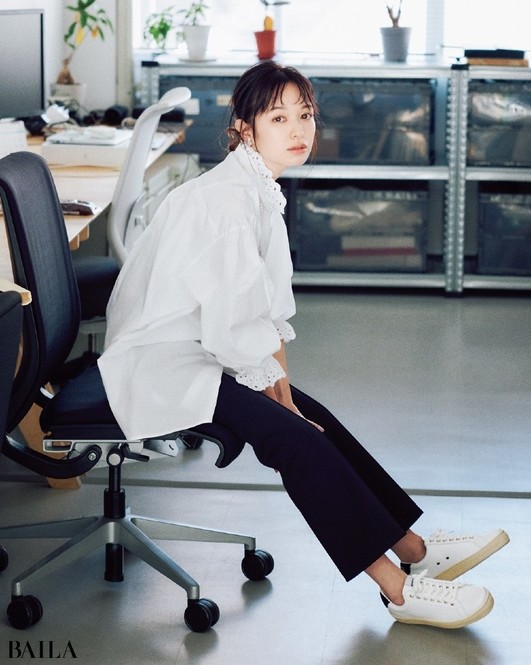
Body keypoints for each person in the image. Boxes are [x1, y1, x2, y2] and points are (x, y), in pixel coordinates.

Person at [98, 61, 509, 630]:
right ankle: (396, 590)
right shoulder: (224, 203)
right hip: (161, 363)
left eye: (306, 114)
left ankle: (414, 550)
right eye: (278, 117)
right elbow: (235, 328)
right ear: (243, 129)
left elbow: (264, 313)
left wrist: (287, 395)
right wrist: (281, 405)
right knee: (297, 441)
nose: (299, 129)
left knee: (317, 422)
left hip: (202, 348)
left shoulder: (257, 189)